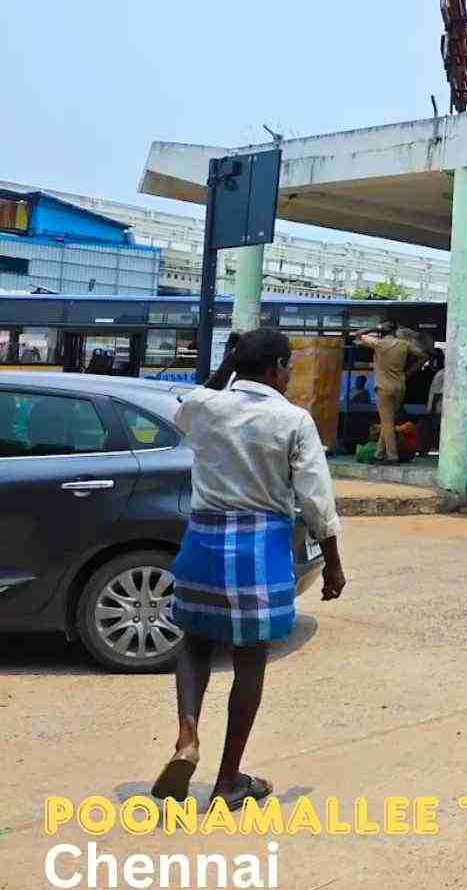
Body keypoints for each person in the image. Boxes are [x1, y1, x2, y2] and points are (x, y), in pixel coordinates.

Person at [150, 328, 345, 810]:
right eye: (287, 366)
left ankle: (187, 737)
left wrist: (228, 363)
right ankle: (227, 780)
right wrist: (334, 565)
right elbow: (315, 500)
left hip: (203, 539)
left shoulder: (205, 406)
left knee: (194, 643)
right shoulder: (292, 420)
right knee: (249, 660)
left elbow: (193, 402)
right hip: (259, 547)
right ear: (278, 367)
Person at [355, 321, 423, 465]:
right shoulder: (404, 344)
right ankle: (379, 454)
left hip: (384, 389)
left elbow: (358, 334)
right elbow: (423, 354)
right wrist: (409, 372)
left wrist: (375, 327)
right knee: (388, 421)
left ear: (382, 332)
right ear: (394, 332)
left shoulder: (378, 344)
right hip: (400, 387)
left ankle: (392, 456)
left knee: (387, 423)